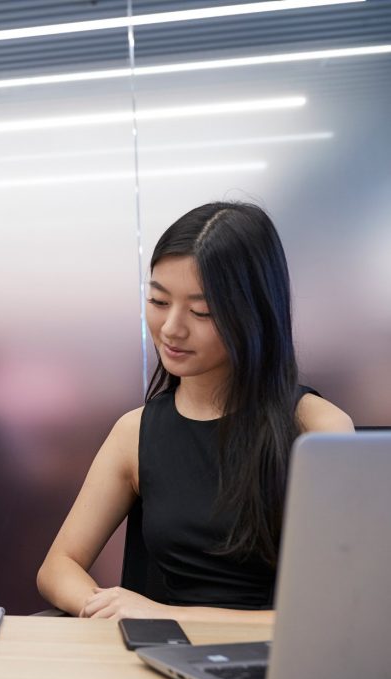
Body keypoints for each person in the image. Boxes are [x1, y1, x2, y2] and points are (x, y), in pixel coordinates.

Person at [37, 202, 353, 622]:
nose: (171, 328)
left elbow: (332, 613)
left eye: (201, 311)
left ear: (252, 313)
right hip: (161, 661)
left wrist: (166, 616)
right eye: (159, 301)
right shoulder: (135, 431)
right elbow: (58, 567)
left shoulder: (319, 431)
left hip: (274, 669)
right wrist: (106, 606)